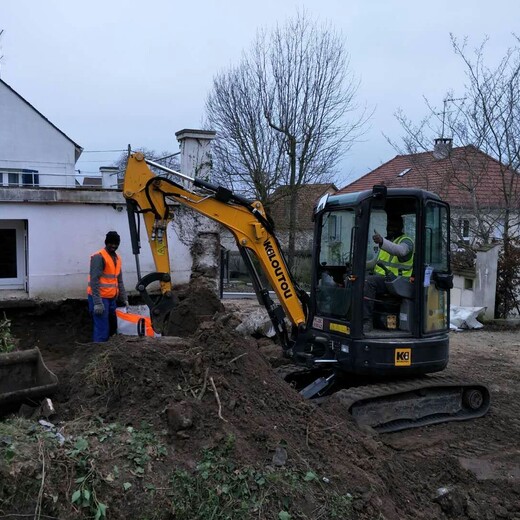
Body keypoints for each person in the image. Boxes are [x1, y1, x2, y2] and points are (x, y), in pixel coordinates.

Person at [363, 214, 414, 333]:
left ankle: (366, 321)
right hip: (384, 279)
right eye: (389, 225)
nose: (390, 228)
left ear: (401, 227)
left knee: (368, 282)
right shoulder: (388, 241)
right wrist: (356, 265)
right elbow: (375, 262)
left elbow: (400, 251)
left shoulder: (407, 242)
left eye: (394, 226)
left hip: (398, 281)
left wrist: (382, 241)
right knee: (355, 278)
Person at [87, 231, 128, 342]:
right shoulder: (99, 257)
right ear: (106, 243)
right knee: (102, 328)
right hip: (101, 298)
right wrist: (97, 303)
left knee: (114, 325)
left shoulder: (117, 259)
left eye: (116, 244)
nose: (113, 246)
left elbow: (119, 281)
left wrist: (123, 298)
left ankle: (110, 350)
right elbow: (94, 281)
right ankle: (99, 352)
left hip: (112, 298)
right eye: (111, 243)